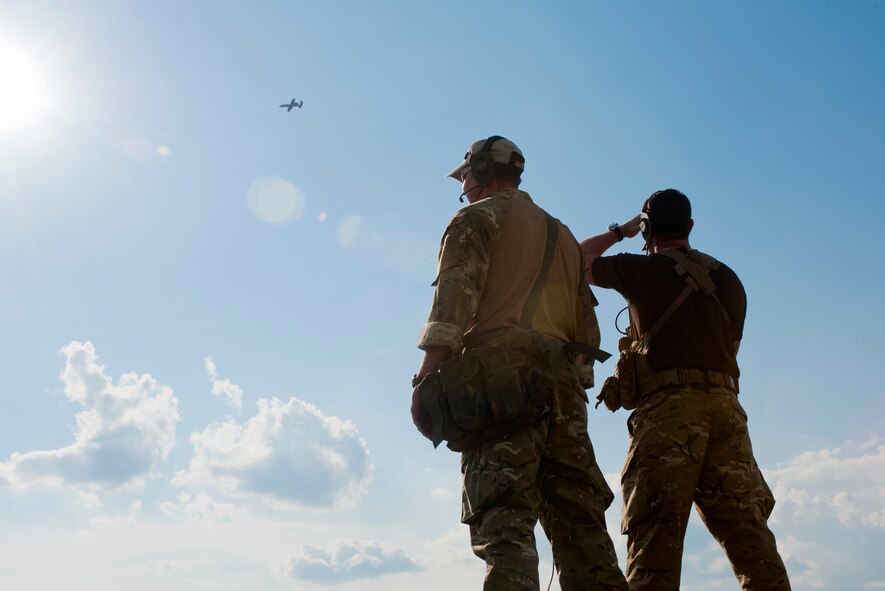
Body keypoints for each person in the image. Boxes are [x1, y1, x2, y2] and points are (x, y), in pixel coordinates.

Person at [410, 136, 627, 591]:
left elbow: (454, 299)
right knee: (582, 529)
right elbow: (587, 328)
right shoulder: (563, 235)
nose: (464, 185)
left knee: (505, 527)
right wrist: (573, 388)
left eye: (466, 175)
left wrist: (426, 377)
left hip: (500, 380)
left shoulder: (475, 218)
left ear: (483, 171)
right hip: (564, 387)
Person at [581, 189, 791, 591]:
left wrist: (620, 231)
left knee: (654, 542)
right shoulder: (728, 279)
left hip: (669, 417)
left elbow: (573, 258)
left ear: (646, 228)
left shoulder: (639, 270)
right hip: (728, 411)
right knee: (751, 541)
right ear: (691, 226)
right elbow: (732, 349)